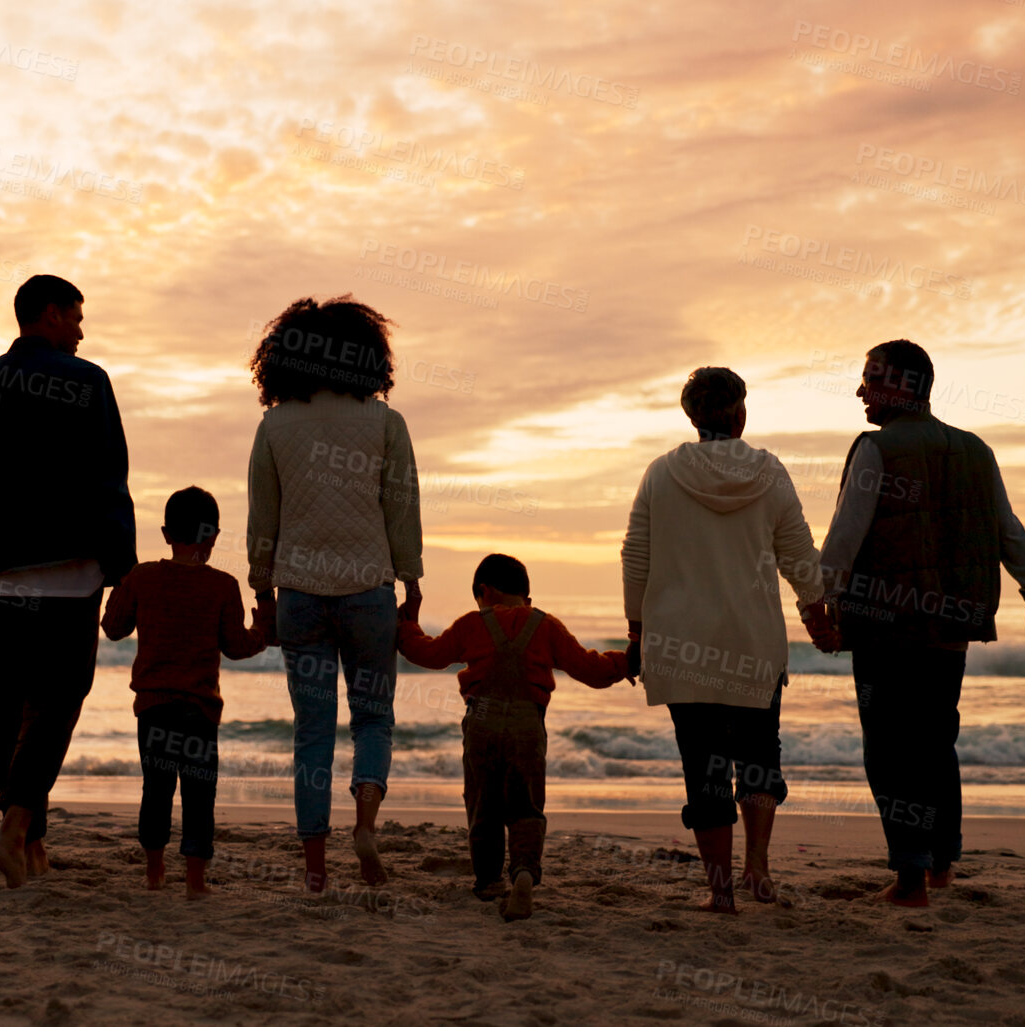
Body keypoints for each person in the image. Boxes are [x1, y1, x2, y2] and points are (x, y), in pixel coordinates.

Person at [815, 339, 1025, 908]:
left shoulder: (876, 450)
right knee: (935, 741)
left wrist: (818, 602)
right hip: (950, 626)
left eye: (870, 379)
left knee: (888, 748)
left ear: (903, 386)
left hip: (886, 626)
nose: (860, 391)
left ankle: (908, 879)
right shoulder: (976, 450)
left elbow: (845, 538)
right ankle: (941, 864)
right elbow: (1008, 530)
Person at [0, 273, 136, 889]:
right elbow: (110, 477)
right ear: (48, 315)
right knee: (60, 702)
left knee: (14, 711)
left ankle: (30, 846)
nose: (80, 331)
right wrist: (122, 565)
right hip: (72, 573)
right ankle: (14, 828)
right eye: (75, 318)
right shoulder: (88, 381)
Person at [620, 367, 835, 913]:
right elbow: (799, 555)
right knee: (760, 758)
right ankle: (757, 870)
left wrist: (637, 631)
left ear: (691, 416)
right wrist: (816, 613)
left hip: (681, 646)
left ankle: (720, 893)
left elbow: (635, 557)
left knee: (705, 767)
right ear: (741, 412)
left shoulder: (662, 474)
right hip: (753, 645)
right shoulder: (770, 473)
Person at [245, 295, 423, 893]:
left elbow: (262, 519)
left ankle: (316, 872)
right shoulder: (384, 423)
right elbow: (402, 512)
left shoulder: (274, 426)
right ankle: (366, 826)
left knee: (312, 731)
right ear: (367, 355)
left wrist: (261, 590)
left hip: (298, 592)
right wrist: (413, 580)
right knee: (374, 719)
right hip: (369, 590)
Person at [396, 554, 632, 921]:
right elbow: (591, 670)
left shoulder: (471, 624)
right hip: (527, 724)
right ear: (528, 599)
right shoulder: (546, 625)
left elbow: (427, 654)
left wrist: (406, 625)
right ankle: (523, 872)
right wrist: (626, 663)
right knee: (525, 806)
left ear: (484, 592)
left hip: (482, 721)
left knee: (482, 804)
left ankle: (489, 882)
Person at [101, 487, 273, 898]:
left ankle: (154, 872)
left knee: (155, 789)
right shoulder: (223, 586)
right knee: (199, 794)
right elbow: (235, 647)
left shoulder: (142, 577)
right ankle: (196, 881)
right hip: (199, 712)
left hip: (154, 709)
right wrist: (264, 632)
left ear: (165, 533)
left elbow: (113, 628)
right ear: (213, 536)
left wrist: (118, 586)